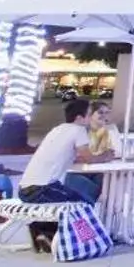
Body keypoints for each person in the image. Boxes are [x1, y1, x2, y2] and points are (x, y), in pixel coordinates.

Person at [18, 97, 113, 253]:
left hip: (26, 188)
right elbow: (88, 157)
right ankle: (86, 241)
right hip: (42, 188)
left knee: (74, 202)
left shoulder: (57, 129)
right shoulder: (78, 130)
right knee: (83, 204)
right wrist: (106, 156)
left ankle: (43, 231)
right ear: (79, 118)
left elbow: (70, 155)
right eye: (89, 114)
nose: (92, 118)